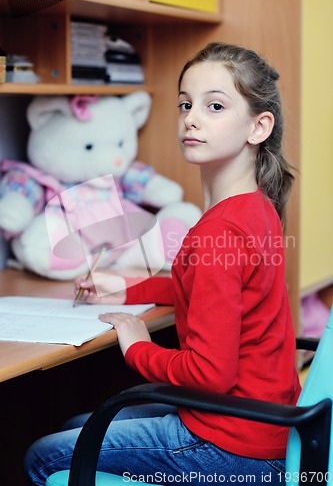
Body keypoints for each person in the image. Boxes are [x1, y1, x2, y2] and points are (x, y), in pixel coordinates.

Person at [24, 42, 301, 485]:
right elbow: (210, 291)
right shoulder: (255, 208)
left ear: (258, 127)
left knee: (45, 455)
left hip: (231, 446)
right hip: (269, 428)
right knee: (76, 424)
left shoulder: (220, 231)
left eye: (214, 106)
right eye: (186, 104)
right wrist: (129, 289)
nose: (191, 117)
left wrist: (136, 346)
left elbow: (210, 375)